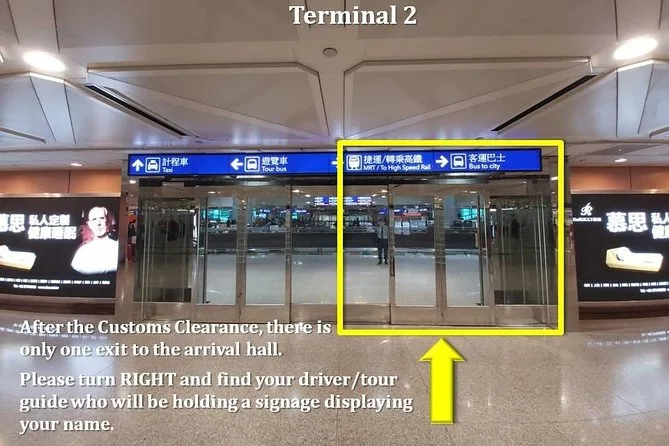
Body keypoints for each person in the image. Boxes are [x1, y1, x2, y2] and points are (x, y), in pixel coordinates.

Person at [71, 206, 119, 275]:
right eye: (94, 219)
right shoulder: (82, 252)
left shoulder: (117, 247)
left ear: (108, 222)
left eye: (101, 218)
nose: (98, 223)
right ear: (89, 224)